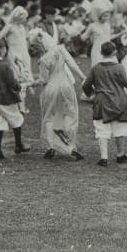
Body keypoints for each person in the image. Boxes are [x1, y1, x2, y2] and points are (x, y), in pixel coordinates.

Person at [81, 40, 127, 167]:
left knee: (101, 129)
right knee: (120, 128)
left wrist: (92, 94)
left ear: (101, 52)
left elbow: (86, 85)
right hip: (119, 101)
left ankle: (104, 157)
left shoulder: (96, 68)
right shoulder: (119, 68)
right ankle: (120, 154)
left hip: (101, 101)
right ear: (114, 52)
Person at [32, 27, 85, 160]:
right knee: (70, 114)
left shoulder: (43, 60)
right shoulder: (60, 49)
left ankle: (51, 146)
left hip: (51, 88)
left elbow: (44, 80)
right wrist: (83, 77)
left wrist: (30, 83)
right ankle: (70, 145)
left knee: (49, 117)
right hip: (66, 86)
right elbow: (73, 65)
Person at [0, 6, 33, 113]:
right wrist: (4, 49)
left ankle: (20, 104)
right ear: (18, 17)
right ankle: (18, 105)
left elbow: (25, 40)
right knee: (18, 79)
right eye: (24, 17)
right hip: (15, 55)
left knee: (25, 78)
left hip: (24, 54)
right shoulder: (9, 27)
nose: (25, 20)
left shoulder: (22, 27)